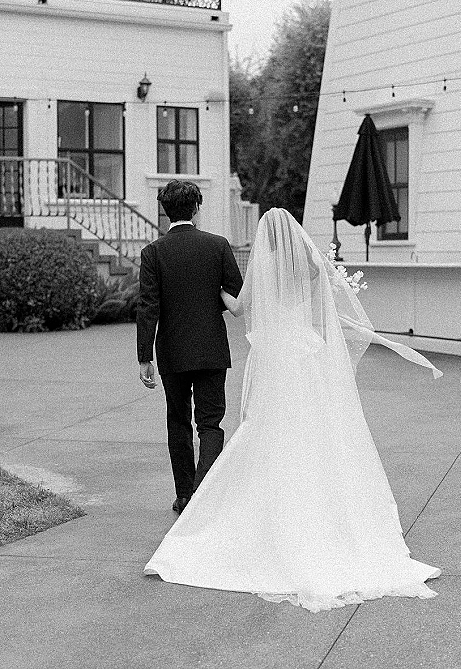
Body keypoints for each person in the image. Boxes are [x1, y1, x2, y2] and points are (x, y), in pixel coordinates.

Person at [144, 207, 442, 612]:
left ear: (266, 243)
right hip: (305, 352)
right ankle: (329, 516)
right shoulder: (314, 271)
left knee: (266, 431)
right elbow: (322, 316)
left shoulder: (258, 274)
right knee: (314, 432)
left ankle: (220, 501)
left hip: (272, 357)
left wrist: (214, 291)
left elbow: (237, 308)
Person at [136, 180, 243, 515]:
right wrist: (211, 300)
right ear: (196, 207)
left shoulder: (153, 252)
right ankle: (203, 494)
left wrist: (144, 357)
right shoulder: (218, 245)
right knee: (210, 424)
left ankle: (185, 497)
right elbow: (238, 295)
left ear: (165, 210)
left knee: (178, 421)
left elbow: (148, 306)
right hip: (212, 348)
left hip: (172, 352)